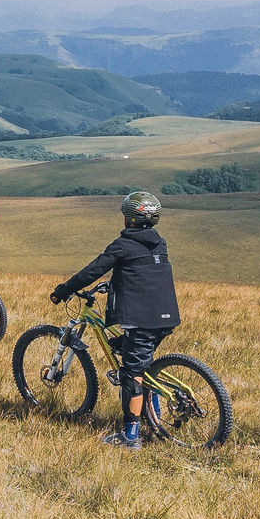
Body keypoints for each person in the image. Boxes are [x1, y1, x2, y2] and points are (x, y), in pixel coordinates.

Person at [51, 190, 181, 448]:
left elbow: (92, 270)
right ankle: (152, 416)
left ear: (127, 217)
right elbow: (140, 271)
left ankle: (130, 436)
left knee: (132, 374)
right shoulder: (159, 242)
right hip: (166, 315)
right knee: (142, 363)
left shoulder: (122, 245)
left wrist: (63, 290)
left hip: (140, 318)